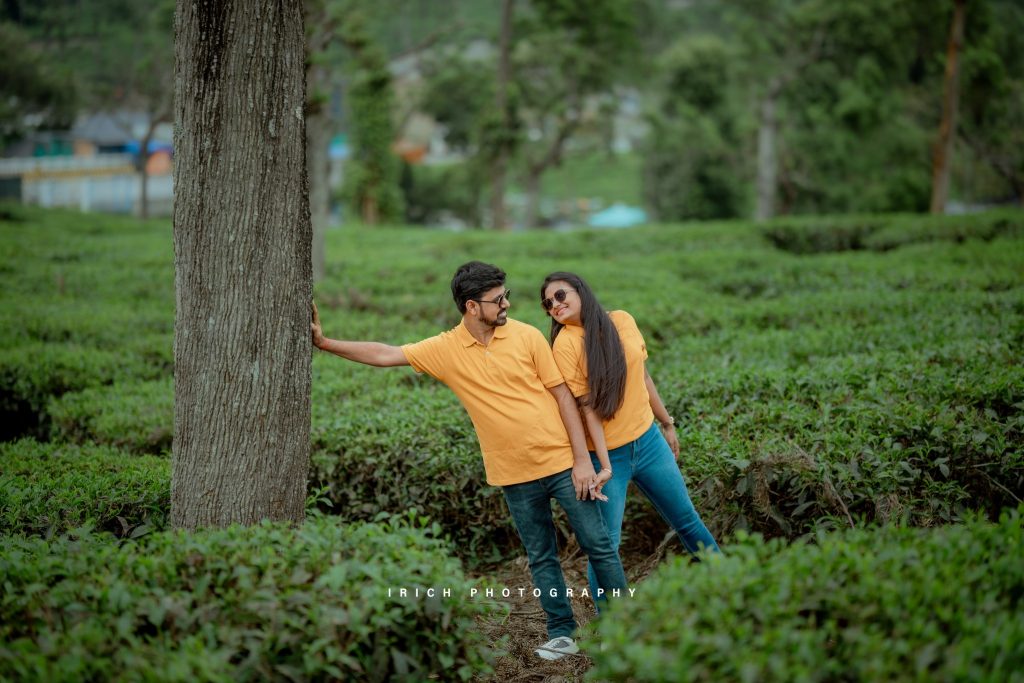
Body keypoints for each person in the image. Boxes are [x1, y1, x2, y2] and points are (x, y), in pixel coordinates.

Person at [312, 261, 627, 661]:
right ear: (471, 307)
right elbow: (385, 353)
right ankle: (562, 632)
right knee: (541, 556)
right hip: (514, 475)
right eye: (498, 300)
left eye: (506, 295)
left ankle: (620, 630)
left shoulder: (528, 336)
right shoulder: (445, 349)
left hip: (564, 464)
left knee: (599, 545)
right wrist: (325, 344)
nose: (507, 304)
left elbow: (564, 396)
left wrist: (582, 460)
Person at [539, 271, 720, 602]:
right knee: (605, 546)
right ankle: (610, 628)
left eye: (561, 296)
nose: (555, 305)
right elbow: (588, 409)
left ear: (581, 291)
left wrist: (667, 423)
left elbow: (643, 375)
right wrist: (604, 466)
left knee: (688, 521)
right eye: (548, 303)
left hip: (649, 442)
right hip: (608, 457)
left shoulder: (622, 320)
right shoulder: (565, 344)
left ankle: (733, 589)